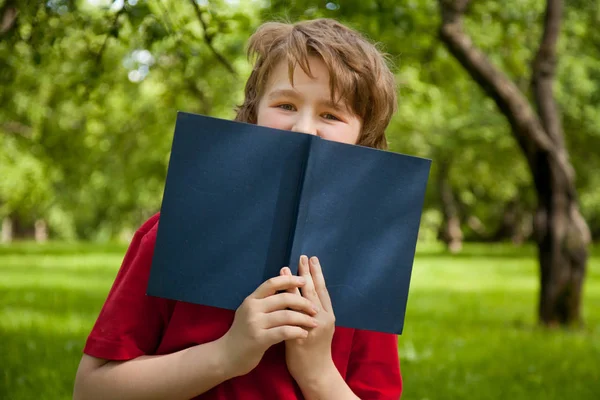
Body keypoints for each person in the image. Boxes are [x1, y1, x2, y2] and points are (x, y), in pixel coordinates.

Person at [73, 18, 402, 400]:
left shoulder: (370, 267)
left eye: (331, 114)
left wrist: (318, 372)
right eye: (285, 105)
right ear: (254, 113)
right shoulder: (171, 233)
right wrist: (227, 354)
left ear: (363, 139)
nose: (303, 128)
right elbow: (91, 390)